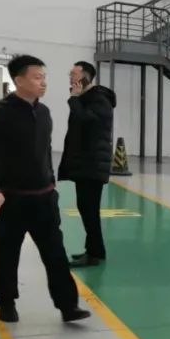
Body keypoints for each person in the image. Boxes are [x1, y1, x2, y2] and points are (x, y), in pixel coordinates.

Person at [0, 55, 91, 324]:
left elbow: (45, 152)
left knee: (55, 254)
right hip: (10, 199)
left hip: (43, 198)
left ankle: (68, 306)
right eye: (37, 78)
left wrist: (51, 184)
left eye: (44, 77)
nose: (43, 83)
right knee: (7, 253)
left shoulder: (44, 112)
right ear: (19, 80)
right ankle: (6, 302)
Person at [58, 61, 115, 268]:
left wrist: (74, 99)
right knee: (86, 208)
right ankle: (95, 250)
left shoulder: (99, 99)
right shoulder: (87, 98)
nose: (70, 77)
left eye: (74, 74)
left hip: (92, 165)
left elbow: (86, 120)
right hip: (86, 164)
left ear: (85, 77)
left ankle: (94, 254)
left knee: (89, 210)